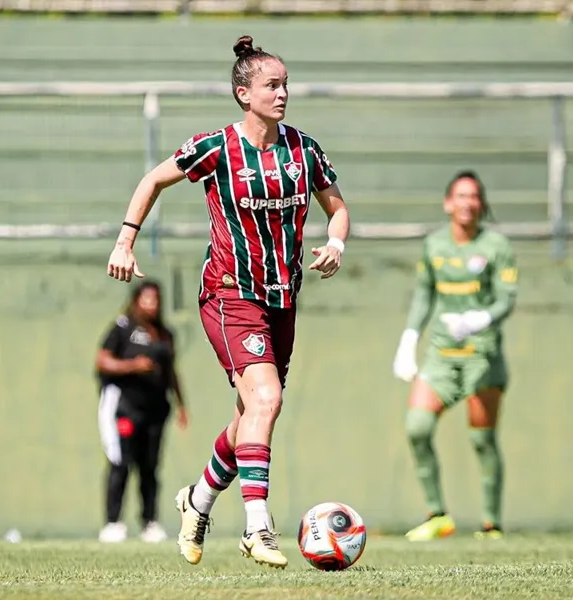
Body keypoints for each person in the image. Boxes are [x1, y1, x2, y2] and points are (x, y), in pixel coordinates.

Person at [106, 35, 350, 568]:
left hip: (281, 299)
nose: (282, 93)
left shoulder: (303, 148)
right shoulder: (217, 147)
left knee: (250, 418)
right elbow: (154, 179)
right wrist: (126, 239)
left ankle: (198, 500)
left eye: (286, 84)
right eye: (272, 85)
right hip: (227, 294)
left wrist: (335, 241)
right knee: (266, 401)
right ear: (244, 94)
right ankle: (258, 527)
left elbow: (337, 207)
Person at [391, 170, 518, 541]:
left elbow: (506, 299)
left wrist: (482, 318)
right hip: (441, 356)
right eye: (460, 196)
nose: (467, 202)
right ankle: (437, 515)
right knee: (417, 427)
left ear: (481, 204)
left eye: (474, 196)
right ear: (448, 203)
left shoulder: (496, 245)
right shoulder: (434, 246)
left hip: (482, 356)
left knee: (481, 439)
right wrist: (409, 338)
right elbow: (424, 294)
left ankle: (491, 523)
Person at [95, 280, 189, 544]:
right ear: (137, 300)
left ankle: (150, 522)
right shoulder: (122, 328)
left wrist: (181, 405)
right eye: (147, 299)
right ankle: (113, 523)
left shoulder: (165, 334)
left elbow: (172, 372)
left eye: (156, 299)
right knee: (121, 463)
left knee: (150, 467)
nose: (152, 304)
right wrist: (133, 366)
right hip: (125, 408)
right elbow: (102, 360)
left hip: (156, 410)